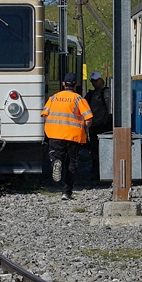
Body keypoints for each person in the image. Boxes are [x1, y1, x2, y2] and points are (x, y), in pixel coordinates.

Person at [41, 72, 94, 200]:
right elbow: (88, 118)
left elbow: (45, 114)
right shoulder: (79, 99)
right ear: (76, 84)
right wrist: (84, 129)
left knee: (55, 155)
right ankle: (67, 192)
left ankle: (56, 163)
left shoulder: (53, 98)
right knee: (72, 164)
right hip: (73, 136)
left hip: (55, 134)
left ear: (63, 84)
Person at [85, 71, 113, 181]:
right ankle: (95, 168)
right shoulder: (91, 94)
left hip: (102, 125)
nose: (94, 83)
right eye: (93, 81)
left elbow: (108, 107)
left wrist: (105, 121)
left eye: (96, 81)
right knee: (94, 149)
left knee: (101, 149)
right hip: (94, 125)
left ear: (100, 80)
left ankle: (102, 170)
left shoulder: (105, 92)